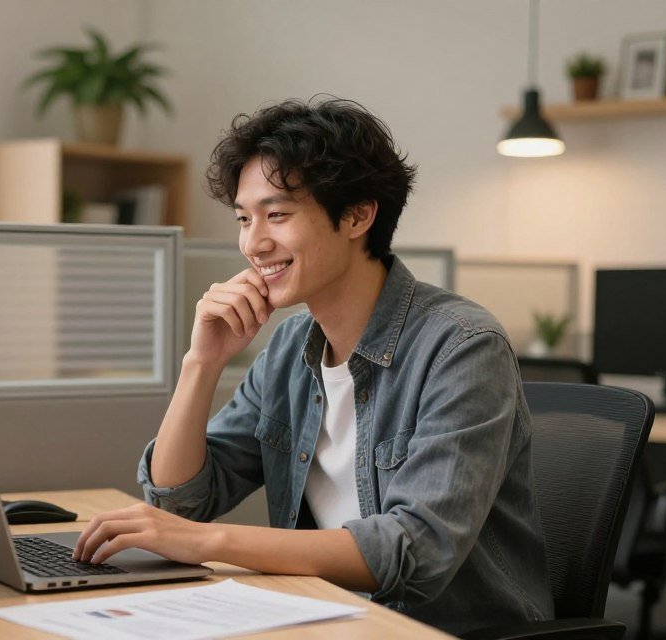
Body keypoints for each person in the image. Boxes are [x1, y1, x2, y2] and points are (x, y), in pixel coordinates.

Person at [73, 97, 554, 634]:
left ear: (357, 214)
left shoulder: (462, 347)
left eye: (276, 215)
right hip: (325, 619)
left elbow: (416, 551)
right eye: (243, 218)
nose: (253, 243)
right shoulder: (289, 348)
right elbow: (182, 501)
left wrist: (210, 544)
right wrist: (201, 364)